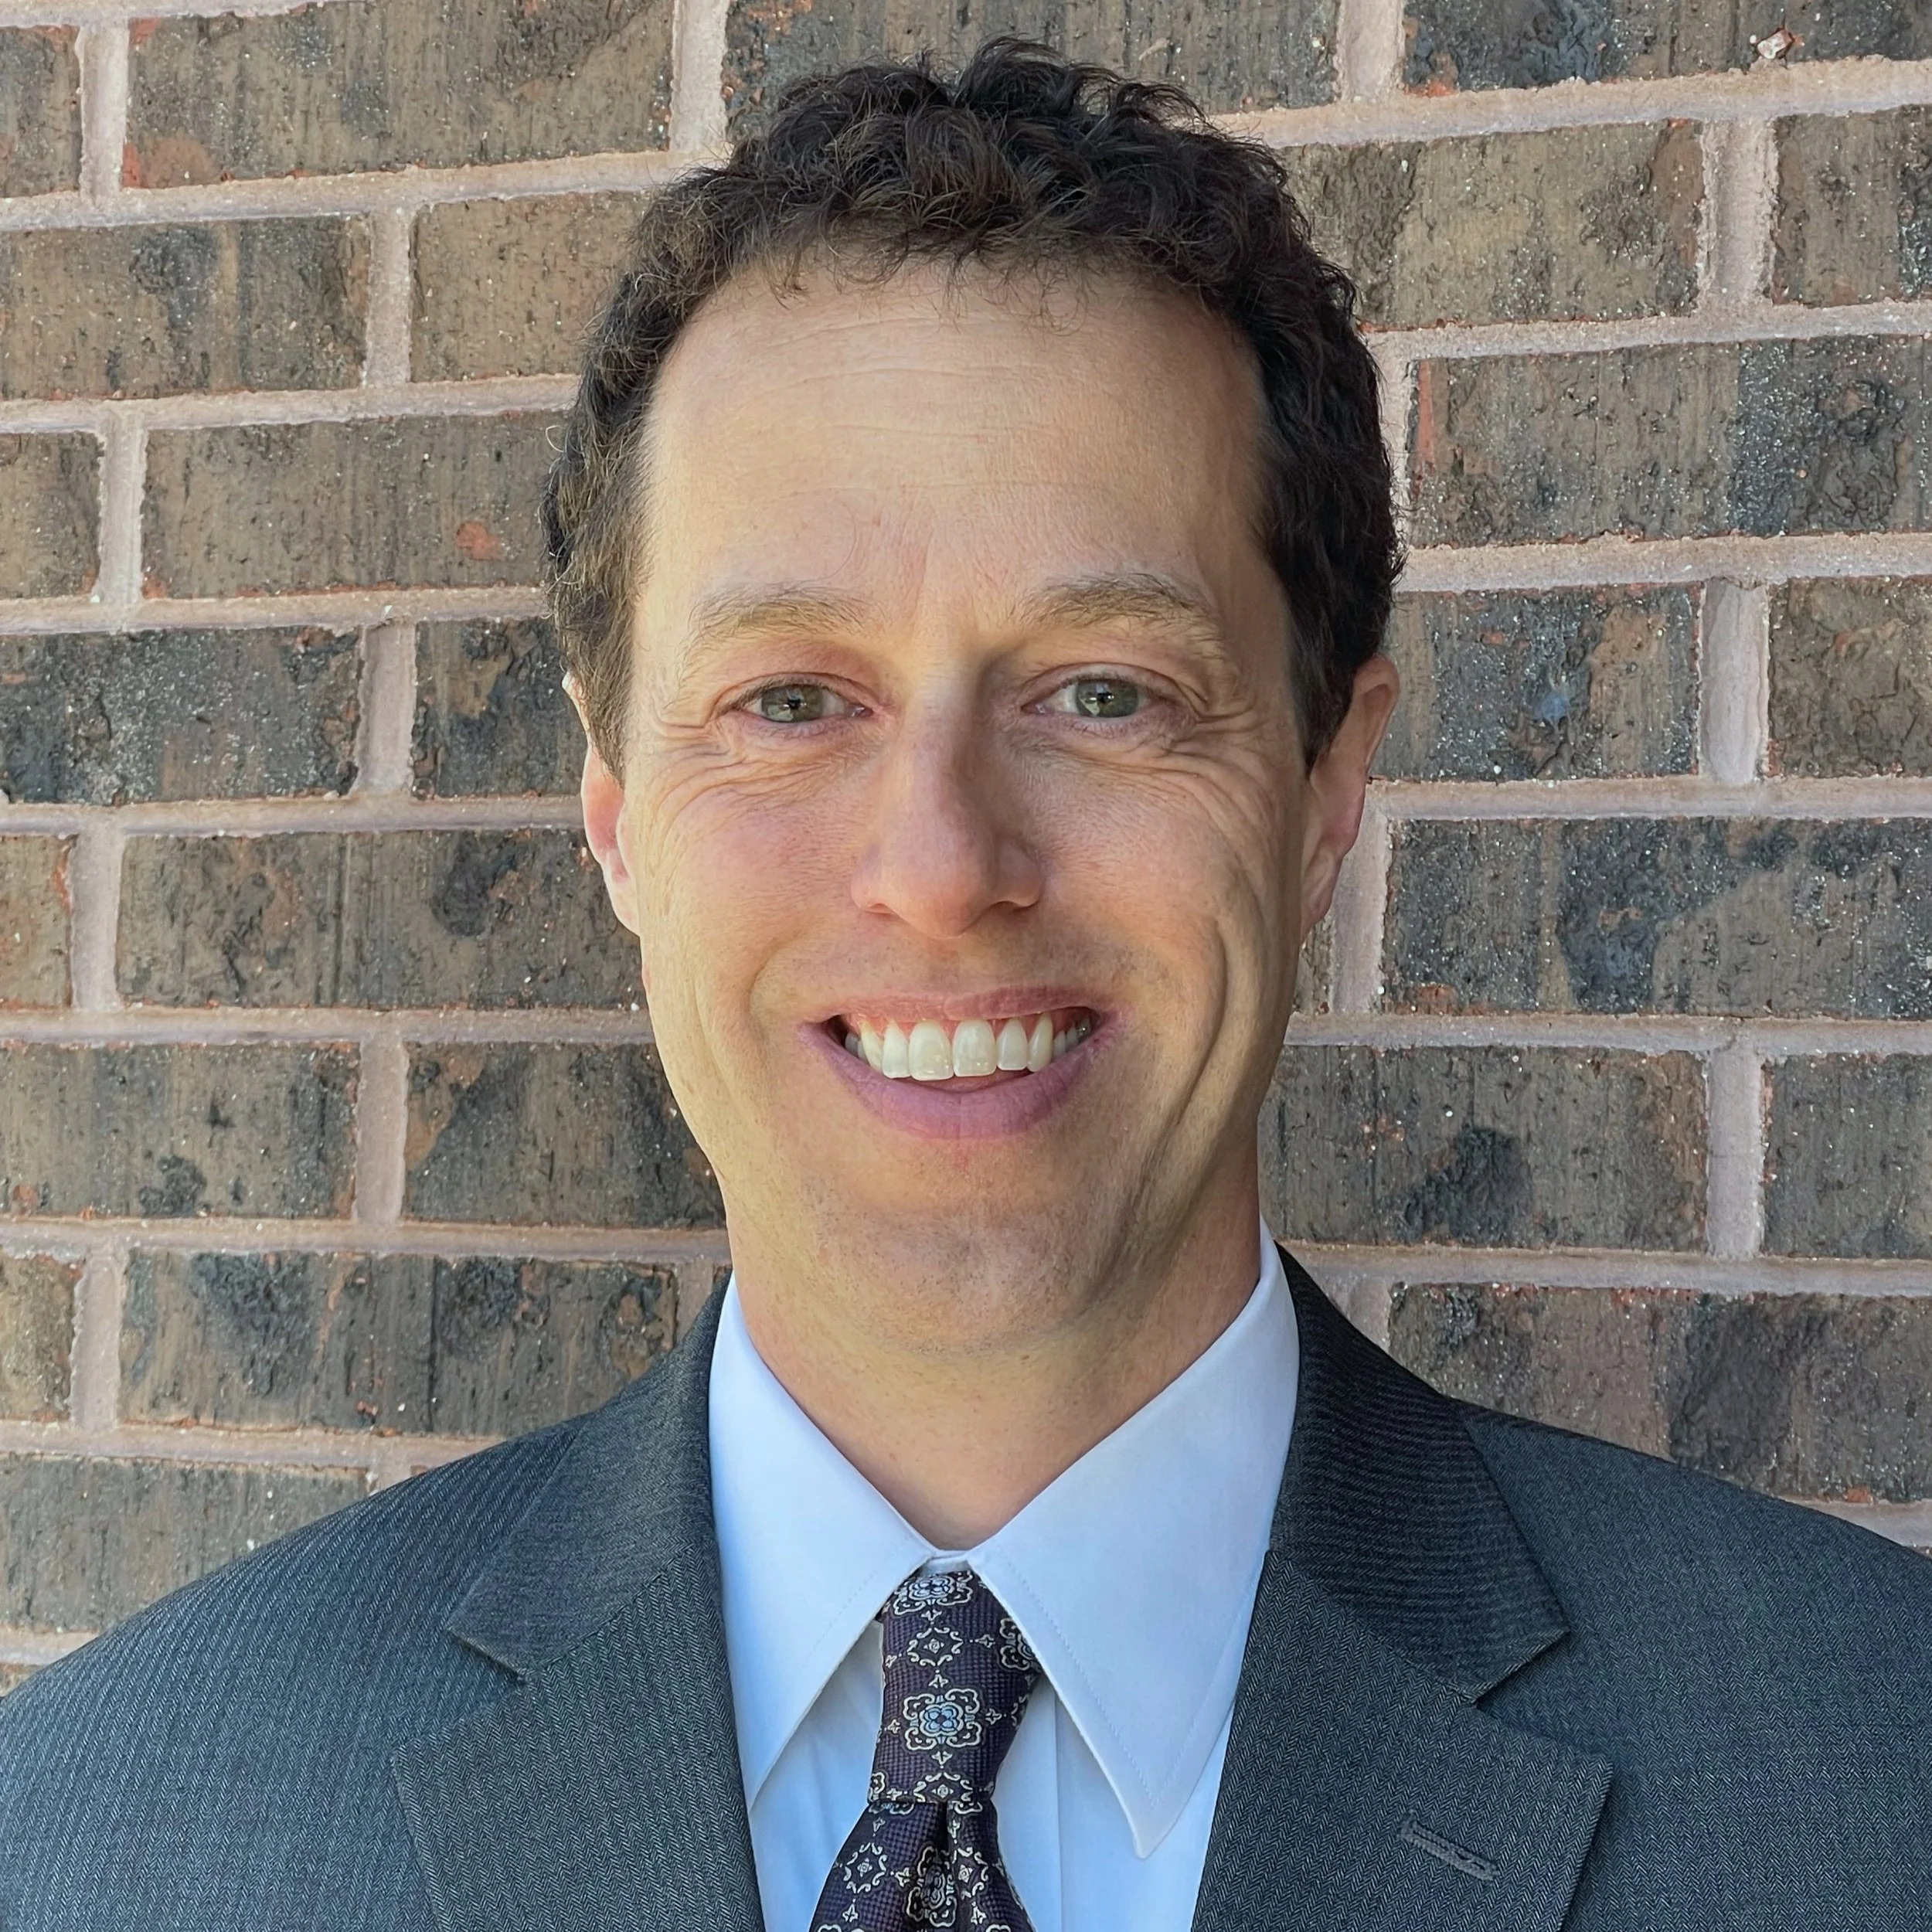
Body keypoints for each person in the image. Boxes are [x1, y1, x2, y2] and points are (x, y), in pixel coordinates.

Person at [2, 40, 1927, 1931]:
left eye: (1103, 690)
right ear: (612, 812)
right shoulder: (101, 1833)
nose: (940, 868)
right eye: (787, 701)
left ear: (1326, 783)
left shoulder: (1871, 1778)